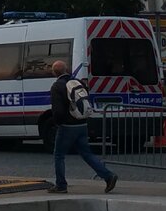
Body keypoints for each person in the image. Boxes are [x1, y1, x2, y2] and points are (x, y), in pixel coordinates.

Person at [47, 59, 118, 194]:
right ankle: (108, 176)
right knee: (86, 153)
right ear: (66, 69)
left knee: (59, 155)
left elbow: (58, 110)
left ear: (54, 73)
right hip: (82, 124)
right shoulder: (78, 82)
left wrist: (58, 122)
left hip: (67, 126)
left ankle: (61, 185)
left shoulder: (57, 86)